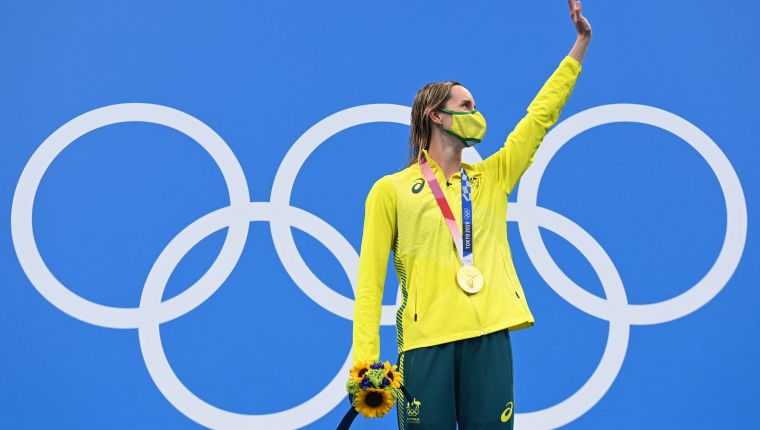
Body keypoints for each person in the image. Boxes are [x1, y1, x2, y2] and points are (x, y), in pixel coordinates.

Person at [351, 1, 592, 428]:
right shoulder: (390, 190)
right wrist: (366, 362)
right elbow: (370, 284)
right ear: (436, 116)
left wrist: (579, 45)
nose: (475, 114)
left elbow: (540, 118)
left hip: (490, 339)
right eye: (465, 105)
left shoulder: (493, 178)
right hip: (426, 345)